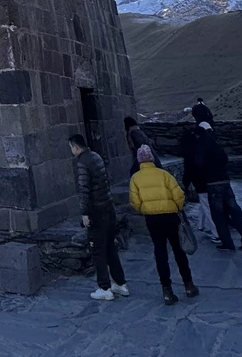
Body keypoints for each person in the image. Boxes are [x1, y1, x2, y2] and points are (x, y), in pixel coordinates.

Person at [129, 145, 199, 304]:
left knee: (160, 252)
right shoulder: (164, 174)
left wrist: (145, 209)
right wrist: (177, 208)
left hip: (152, 219)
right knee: (179, 250)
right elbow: (179, 195)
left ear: (139, 160)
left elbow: (135, 201)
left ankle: (167, 290)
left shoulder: (135, 178)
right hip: (170, 216)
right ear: (152, 158)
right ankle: (188, 285)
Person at [69, 132, 128, 302]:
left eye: (71, 147)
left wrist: (85, 213)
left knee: (97, 250)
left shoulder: (83, 163)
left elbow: (84, 190)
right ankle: (120, 283)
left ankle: (104, 287)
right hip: (108, 207)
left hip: (96, 211)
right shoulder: (96, 156)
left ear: (76, 147)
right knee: (110, 247)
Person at [195, 122, 242, 251]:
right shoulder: (215, 143)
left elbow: (198, 163)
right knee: (235, 210)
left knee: (218, 214)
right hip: (225, 180)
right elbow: (225, 159)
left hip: (212, 182)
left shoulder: (201, 144)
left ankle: (227, 243)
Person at [180, 124, 219, 242]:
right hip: (213, 179)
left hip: (202, 182)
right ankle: (201, 225)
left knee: (207, 206)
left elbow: (190, 169)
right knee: (205, 204)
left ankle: (216, 233)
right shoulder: (210, 145)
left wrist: (186, 185)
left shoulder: (193, 151)